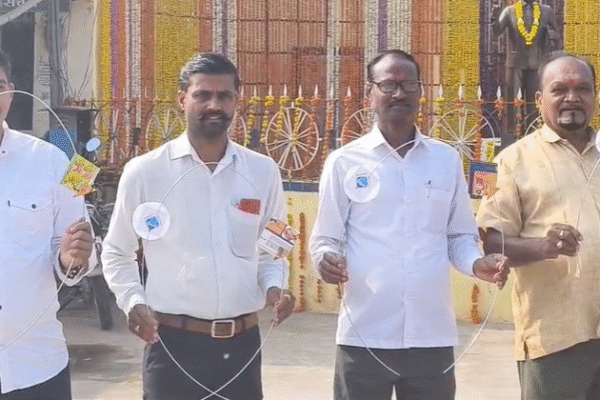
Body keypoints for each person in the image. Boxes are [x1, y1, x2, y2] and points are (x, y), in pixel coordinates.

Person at [309, 49, 509, 400]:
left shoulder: (444, 159)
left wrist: (477, 264)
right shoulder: (344, 162)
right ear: (370, 93)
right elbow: (325, 238)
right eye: (388, 85)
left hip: (431, 336)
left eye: (409, 85)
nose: (399, 94)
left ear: (420, 92)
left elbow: (459, 236)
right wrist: (326, 260)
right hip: (364, 333)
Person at [101, 53, 294, 400]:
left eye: (224, 96)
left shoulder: (262, 171)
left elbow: (274, 250)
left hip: (242, 347)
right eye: (202, 95)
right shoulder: (145, 172)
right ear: (182, 99)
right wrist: (132, 301)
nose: (214, 105)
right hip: (172, 346)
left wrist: (276, 288)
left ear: (236, 100)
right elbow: (117, 251)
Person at [477, 51, 600, 399]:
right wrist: (542, 247)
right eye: (559, 89)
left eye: (583, 89)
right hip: (557, 339)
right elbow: (489, 240)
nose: (572, 97)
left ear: (594, 97)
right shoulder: (505, 162)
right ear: (538, 99)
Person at [0, 49, 94, 399]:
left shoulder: (54, 161)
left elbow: (78, 255)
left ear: (11, 92)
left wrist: (72, 259)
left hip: (36, 366)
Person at [491, 0, 561, 139]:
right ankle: (511, 135)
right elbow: (496, 32)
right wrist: (494, 16)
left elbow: (558, 39)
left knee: (534, 104)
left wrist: (555, 37)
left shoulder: (546, 11)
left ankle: (532, 134)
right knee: (512, 102)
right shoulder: (509, 11)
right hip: (515, 64)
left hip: (536, 64)